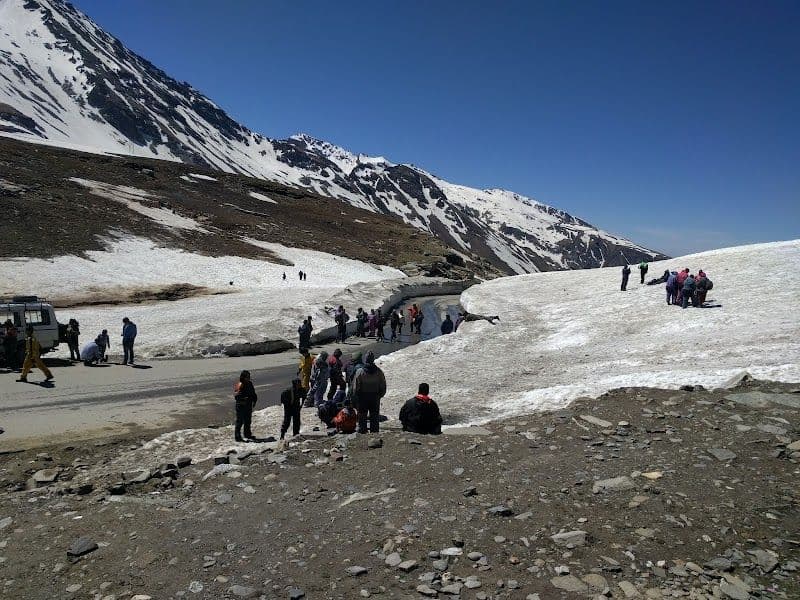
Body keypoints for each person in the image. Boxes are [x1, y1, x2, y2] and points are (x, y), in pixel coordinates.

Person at [352, 351, 386, 434]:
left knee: (362, 417)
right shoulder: (379, 372)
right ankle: (374, 434)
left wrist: (357, 397)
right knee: (374, 417)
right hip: (375, 397)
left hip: (363, 397)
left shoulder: (360, 372)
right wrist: (379, 395)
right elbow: (383, 386)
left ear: (365, 360)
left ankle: (362, 433)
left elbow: (355, 387)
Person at [234, 370, 257, 442]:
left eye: (249, 376)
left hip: (248, 405)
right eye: (247, 377)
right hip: (241, 405)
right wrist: (243, 398)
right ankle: (237, 436)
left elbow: (253, 393)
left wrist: (255, 400)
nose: (248, 378)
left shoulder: (250, 383)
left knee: (248, 421)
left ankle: (247, 434)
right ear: (243, 377)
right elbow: (236, 395)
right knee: (240, 421)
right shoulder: (239, 384)